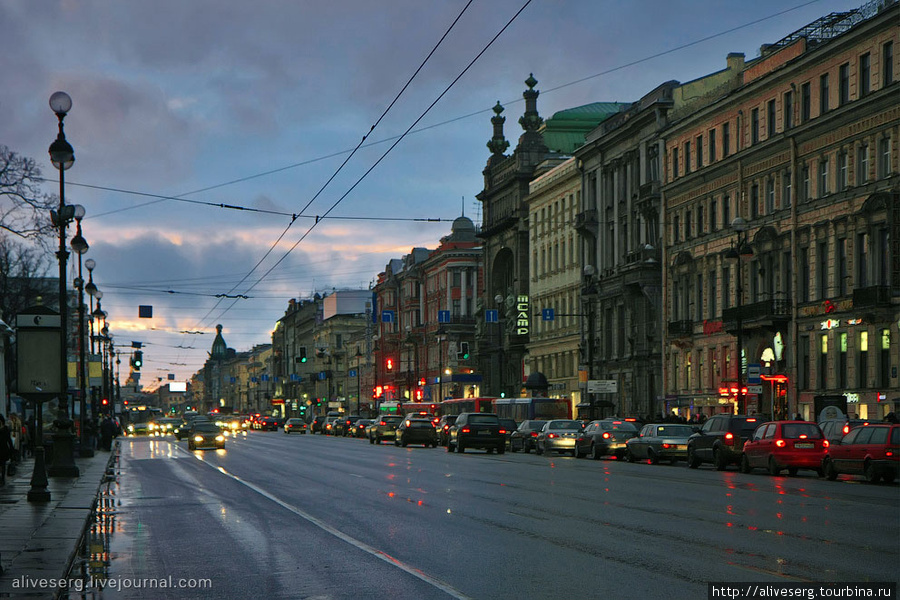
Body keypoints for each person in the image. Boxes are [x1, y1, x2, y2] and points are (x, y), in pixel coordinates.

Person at [0, 415, 14, 486]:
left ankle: (2, 478)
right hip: (3, 449)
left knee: (3, 465)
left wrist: (11, 449)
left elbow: (9, 440)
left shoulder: (6, 429)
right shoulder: (5, 429)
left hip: (3, 450)